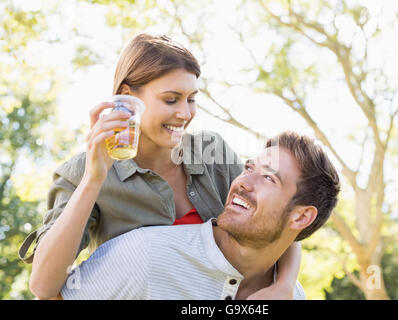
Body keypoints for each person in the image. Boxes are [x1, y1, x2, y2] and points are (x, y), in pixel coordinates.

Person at [20, 33, 302, 300]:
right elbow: (44, 285)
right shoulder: (81, 173)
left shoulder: (211, 152)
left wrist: (285, 284)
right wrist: (93, 179)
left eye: (191, 99)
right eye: (171, 100)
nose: (185, 113)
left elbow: (278, 217)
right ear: (129, 96)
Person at [56, 131, 340, 300]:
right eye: (248, 168)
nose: (242, 181)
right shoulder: (147, 255)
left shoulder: (292, 294)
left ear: (302, 218)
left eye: (268, 178)